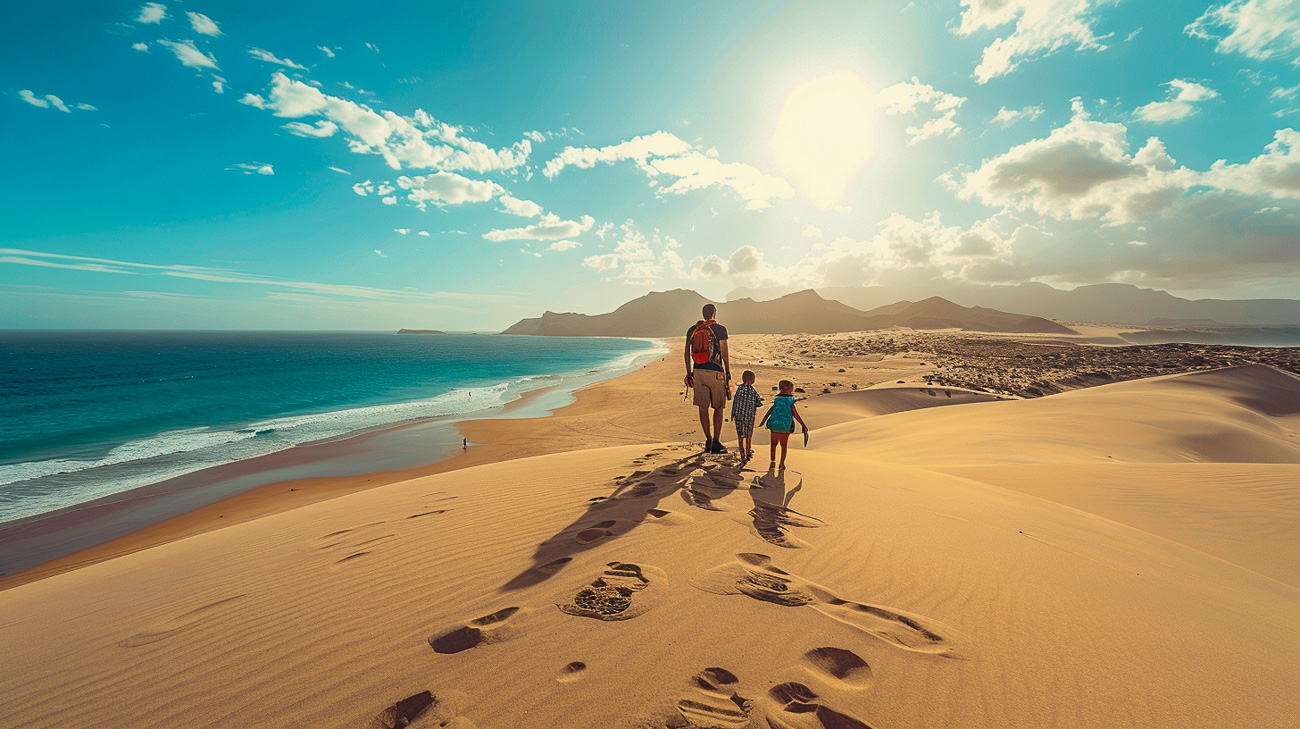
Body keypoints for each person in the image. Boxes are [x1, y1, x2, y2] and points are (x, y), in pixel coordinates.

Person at [684, 303, 731, 454]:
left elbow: (686, 353)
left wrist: (689, 373)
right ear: (714, 313)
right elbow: (724, 353)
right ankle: (716, 442)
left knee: (703, 408)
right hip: (716, 372)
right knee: (718, 407)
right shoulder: (720, 329)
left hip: (698, 371)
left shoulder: (693, 330)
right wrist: (728, 372)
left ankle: (708, 440)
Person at [758, 379, 807, 469]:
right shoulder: (790, 401)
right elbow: (795, 414)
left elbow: (770, 411)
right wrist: (803, 424)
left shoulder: (776, 400)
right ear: (789, 390)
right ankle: (781, 463)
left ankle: (772, 462)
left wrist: (763, 422)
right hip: (785, 426)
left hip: (774, 425)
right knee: (783, 446)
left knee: (773, 444)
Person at [730, 370, 763, 461]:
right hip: (749, 417)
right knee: (749, 434)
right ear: (752, 380)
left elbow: (735, 402)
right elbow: (759, 403)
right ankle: (748, 451)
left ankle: (742, 453)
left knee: (740, 435)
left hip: (739, 416)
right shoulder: (753, 390)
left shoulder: (739, 389)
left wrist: (733, 414)